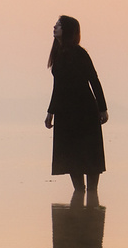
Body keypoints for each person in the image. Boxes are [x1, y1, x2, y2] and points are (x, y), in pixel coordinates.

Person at [44, 15, 108, 193]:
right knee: (72, 157)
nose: (54, 27)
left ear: (68, 30)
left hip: (85, 110)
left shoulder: (80, 54)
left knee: (90, 156)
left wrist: (103, 108)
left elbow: (94, 80)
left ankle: (93, 200)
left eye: (58, 25)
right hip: (65, 113)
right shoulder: (57, 55)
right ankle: (79, 200)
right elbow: (58, 87)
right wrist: (51, 112)